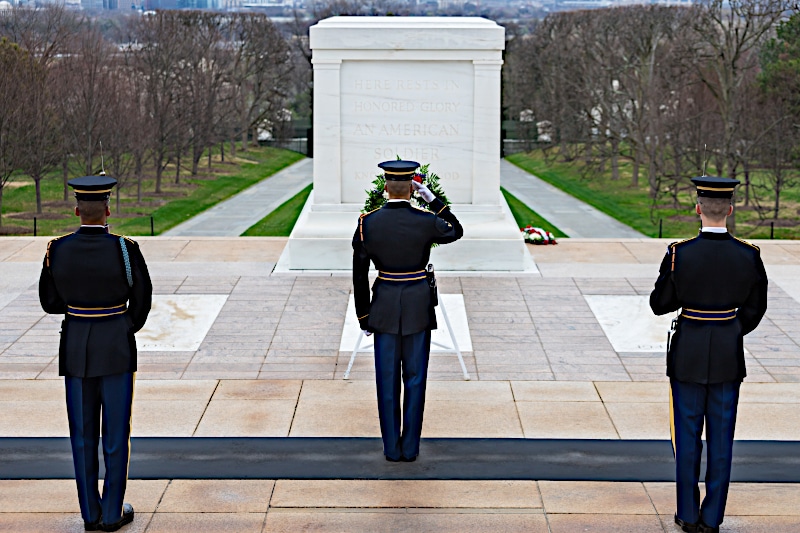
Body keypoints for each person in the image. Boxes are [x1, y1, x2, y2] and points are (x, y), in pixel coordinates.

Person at [650, 176, 768, 533]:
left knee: (687, 439)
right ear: (730, 210)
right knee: (721, 440)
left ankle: (687, 514)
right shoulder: (749, 255)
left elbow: (659, 305)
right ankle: (712, 518)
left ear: (698, 208)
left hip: (687, 354)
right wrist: (729, 330)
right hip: (728, 357)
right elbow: (755, 309)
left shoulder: (679, 253)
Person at [39, 175, 152, 532]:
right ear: (107, 210)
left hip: (75, 346)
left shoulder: (57, 249)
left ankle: (90, 512)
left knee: (83, 435)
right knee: (116, 434)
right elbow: (143, 300)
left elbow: (50, 302)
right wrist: (121, 326)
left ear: (76, 210)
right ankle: (113, 511)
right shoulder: (125, 247)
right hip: (116, 347)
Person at [352, 159, 463, 462]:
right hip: (417, 305)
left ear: (385, 187)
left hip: (384, 306)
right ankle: (410, 448)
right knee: (415, 379)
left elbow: (359, 275)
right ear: (413, 190)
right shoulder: (427, 220)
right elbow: (456, 230)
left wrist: (364, 315)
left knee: (387, 380)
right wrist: (433, 200)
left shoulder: (367, 223)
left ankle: (391, 448)